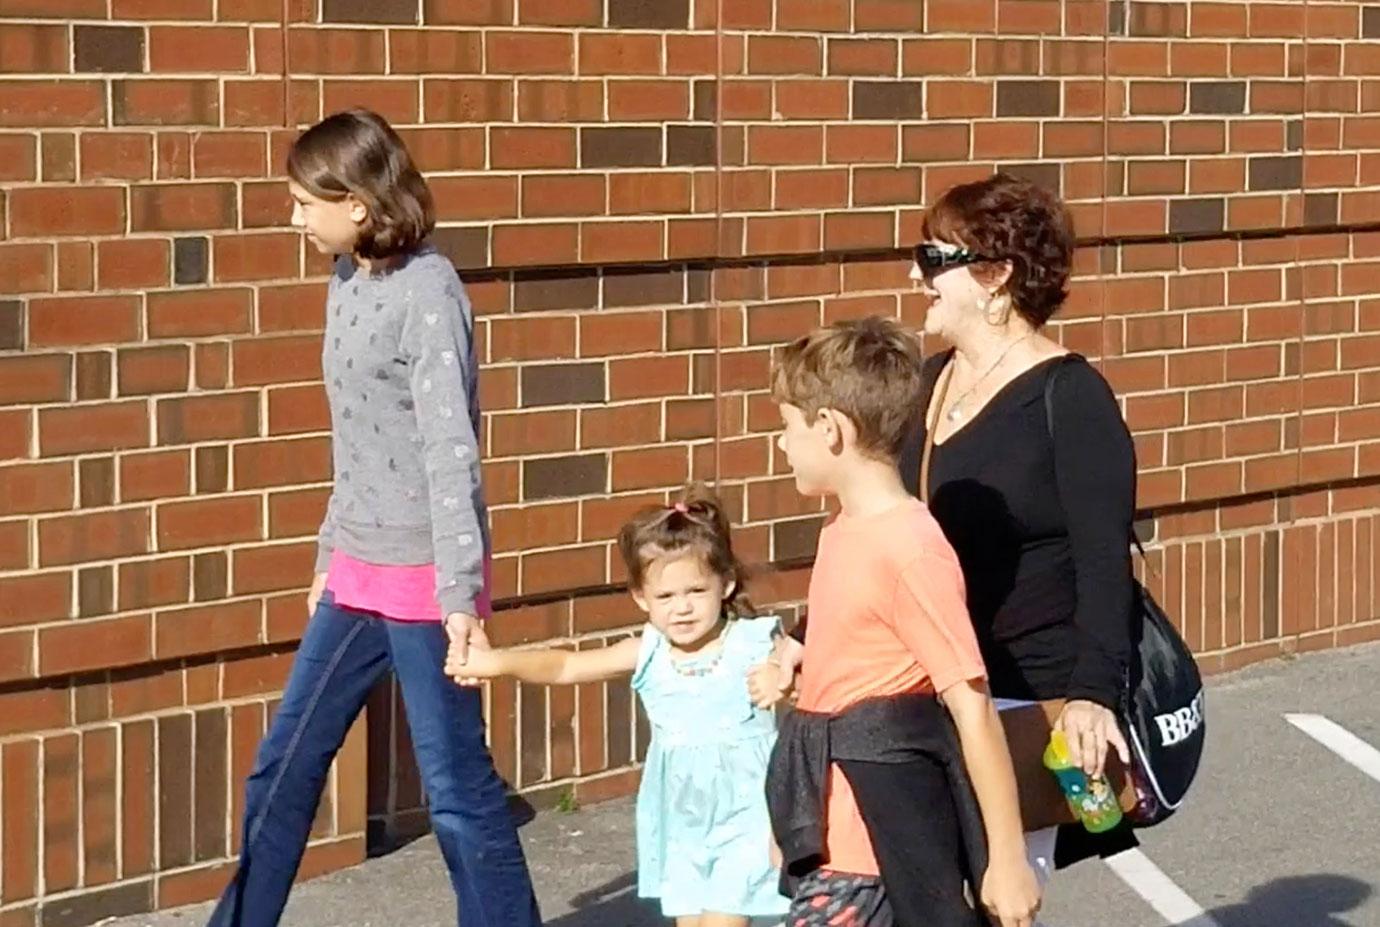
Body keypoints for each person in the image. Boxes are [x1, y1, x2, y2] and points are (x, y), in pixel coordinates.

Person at [755, 174, 1141, 907]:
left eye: (933, 258)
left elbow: (1102, 564)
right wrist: (807, 634)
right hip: (919, 707)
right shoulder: (929, 382)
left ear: (995, 275)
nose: (914, 276)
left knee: (998, 894)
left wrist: (1093, 694)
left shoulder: (1071, 397)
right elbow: (877, 523)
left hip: (1019, 703)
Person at [208, 109, 542, 927]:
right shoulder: (347, 278)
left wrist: (461, 596)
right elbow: (357, 434)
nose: (294, 217)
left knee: (458, 790)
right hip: (357, 570)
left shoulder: (429, 292)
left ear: (357, 202)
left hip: (427, 578)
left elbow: (447, 448)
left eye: (303, 202)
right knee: (282, 767)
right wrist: (329, 547)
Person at [764, 317, 1041, 927]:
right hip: (835, 833)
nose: (781, 445)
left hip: (876, 847)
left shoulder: (911, 551)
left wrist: (1008, 858)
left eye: (787, 426)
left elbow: (971, 706)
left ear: (831, 430)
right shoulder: (844, 529)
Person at [446, 486, 790, 927]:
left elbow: (821, 685)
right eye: (665, 597)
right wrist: (495, 662)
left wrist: (785, 682)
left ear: (726, 584)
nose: (682, 608)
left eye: (696, 591)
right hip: (681, 820)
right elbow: (566, 666)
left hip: (749, 815)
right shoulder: (649, 650)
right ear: (641, 598)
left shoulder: (754, 641)